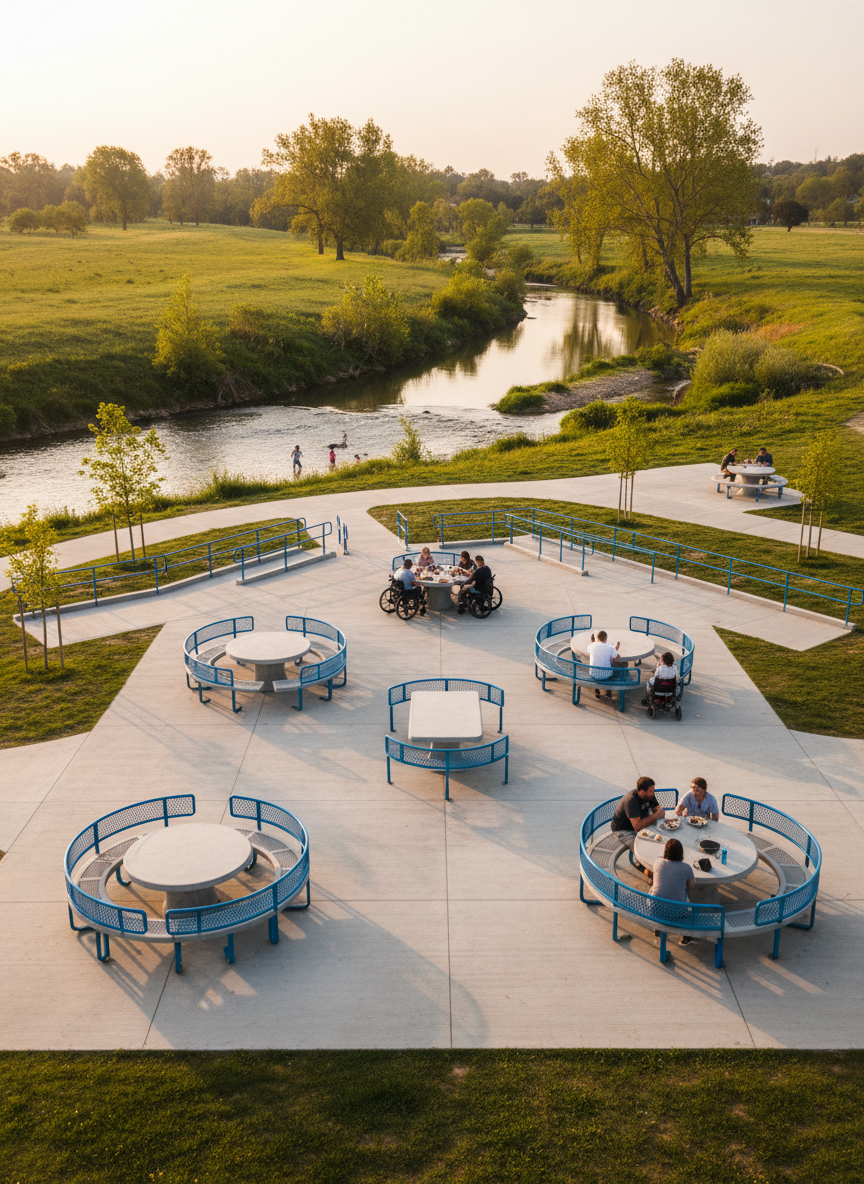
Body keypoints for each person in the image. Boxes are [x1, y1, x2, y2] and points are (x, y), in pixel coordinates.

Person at [646, 838, 697, 946]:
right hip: (677, 912)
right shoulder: (686, 868)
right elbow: (692, 885)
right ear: (681, 853)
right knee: (686, 896)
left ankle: (659, 927)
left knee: (657, 887)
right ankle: (686, 934)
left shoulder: (658, 862)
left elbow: (650, 872)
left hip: (655, 908)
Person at [609, 776, 665, 864]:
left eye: (653, 790)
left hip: (641, 821)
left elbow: (658, 809)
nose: (653, 793)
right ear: (642, 792)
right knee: (641, 848)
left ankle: (662, 858)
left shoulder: (649, 796)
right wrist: (655, 816)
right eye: (651, 791)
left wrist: (659, 811)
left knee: (663, 834)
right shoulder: (631, 801)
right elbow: (637, 827)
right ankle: (645, 865)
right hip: (624, 830)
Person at [586, 629, 621, 699]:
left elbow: (589, 651)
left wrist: (593, 642)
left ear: (597, 638)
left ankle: (597, 690)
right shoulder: (610, 647)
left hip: (593, 673)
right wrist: (616, 647)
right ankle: (608, 690)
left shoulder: (591, 646)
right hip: (606, 675)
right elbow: (615, 656)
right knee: (616, 666)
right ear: (606, 638)